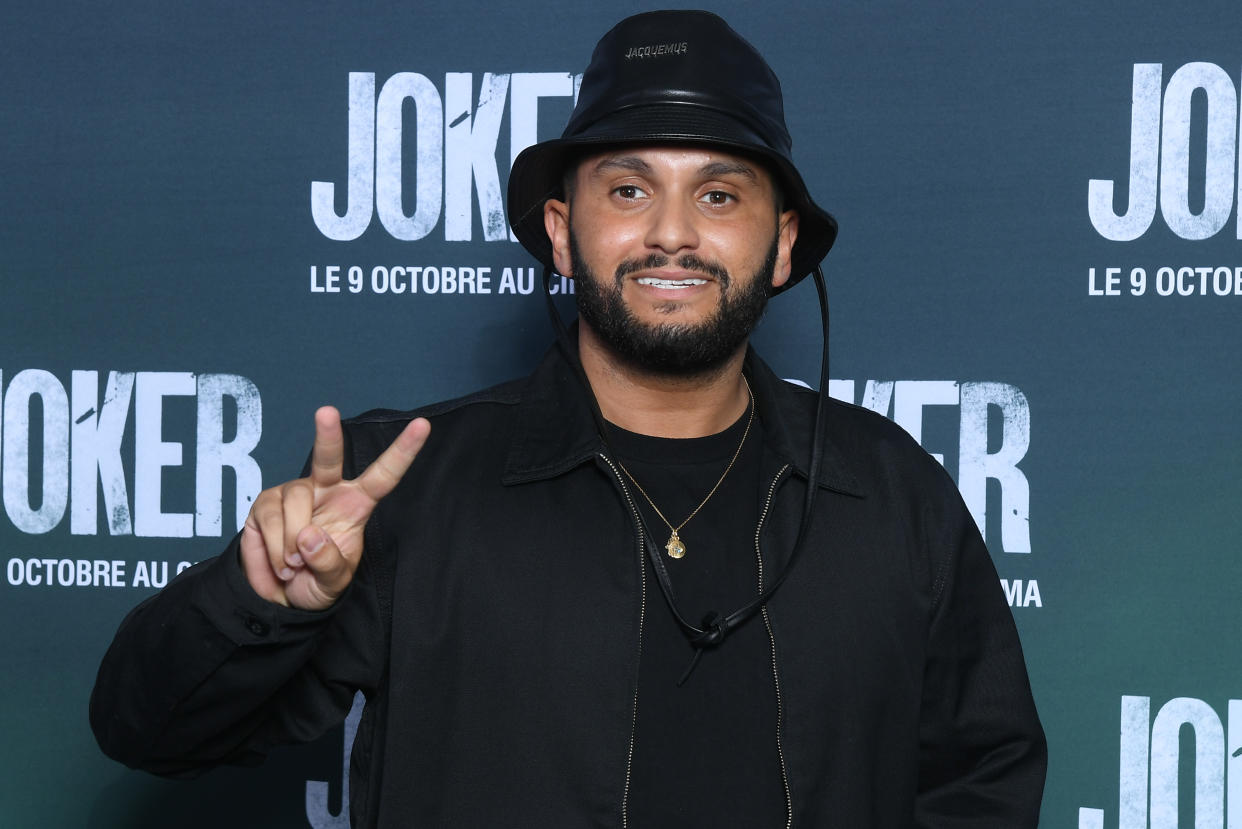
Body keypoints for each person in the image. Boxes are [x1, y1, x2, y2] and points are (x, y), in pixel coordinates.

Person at [91, 10, 1047, 827]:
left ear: (784, 242)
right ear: (560, 232)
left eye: (719, 194)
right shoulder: (406, 484)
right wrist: (259, 601)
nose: (672, 232)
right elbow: (145, 728)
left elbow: (984, 774)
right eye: (629, 190)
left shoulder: (891, 490)